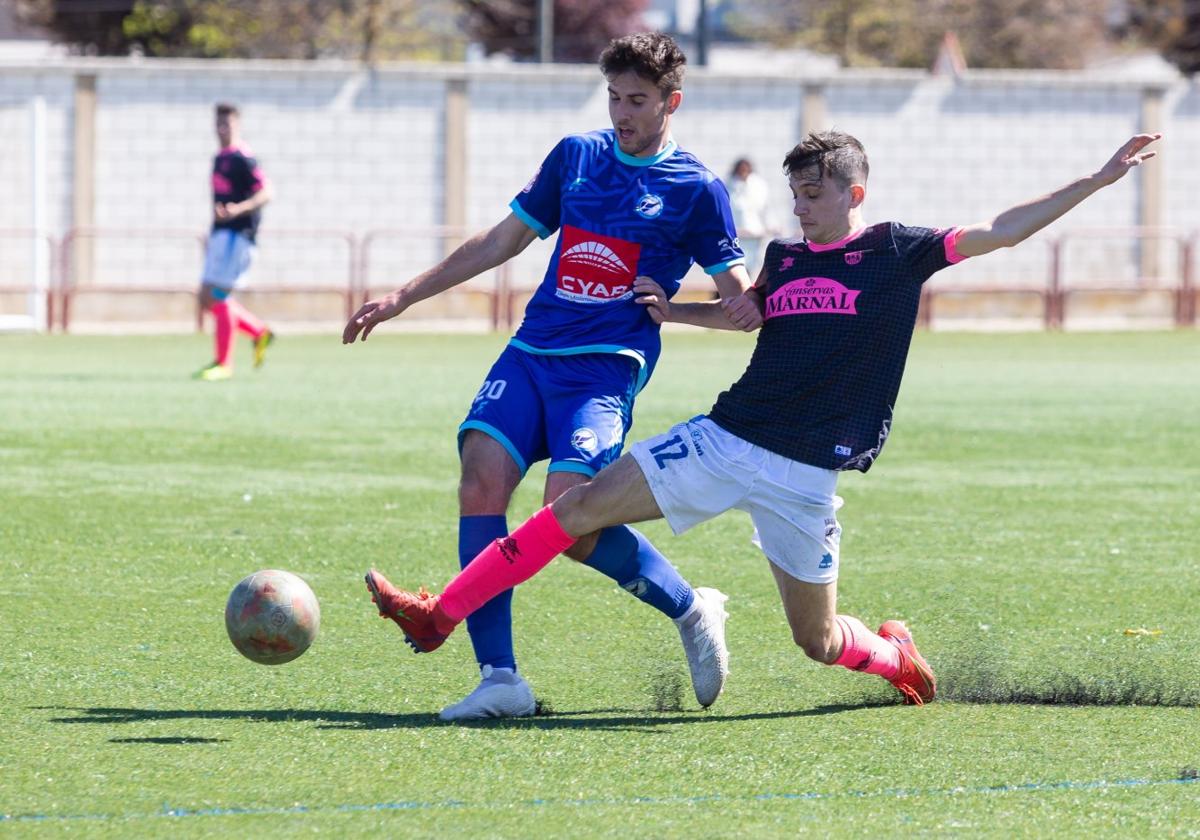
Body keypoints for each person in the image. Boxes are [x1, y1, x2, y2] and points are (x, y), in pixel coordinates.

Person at [362, 130, 1161, 707]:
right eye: (795, 196)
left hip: (807, 473)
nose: (801, 208)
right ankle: (442, 617)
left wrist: (1094, 180)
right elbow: (743, 317)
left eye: (814, 195)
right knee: (570, 510)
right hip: (726, 437)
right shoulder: (783, 258)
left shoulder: (897, 251)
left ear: (854, 193)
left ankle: (895, 659)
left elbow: (1002, 230)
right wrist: (671, 310)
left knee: (816, 642)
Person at [344, 32, 762, 720]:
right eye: (614, 97)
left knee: (571, 513)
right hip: (533, 352)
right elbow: (502, 240)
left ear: (670, 103)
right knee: (480, 475)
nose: (622, 113)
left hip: (605, 370)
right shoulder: (576, 157)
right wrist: (403, 297)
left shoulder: (696, 189)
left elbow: (740, 298)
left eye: (637, 100)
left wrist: (684, 306)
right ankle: (500, 678)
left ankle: (690, 608)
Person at [194, 102, 275, 381]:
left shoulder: (243, 157)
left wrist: (237, 210)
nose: (221, 129)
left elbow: (266, 193)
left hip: (239, 235)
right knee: (207, 297)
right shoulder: (220, 157)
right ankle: (258, 331)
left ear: (237, 125)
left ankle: (224, 363)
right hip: (221, 234)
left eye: (226, 124)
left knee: (220, 296)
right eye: (218, 124)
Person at [727, 158, 773, 276]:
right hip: (736, 235)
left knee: (752, 266)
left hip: (754, 235)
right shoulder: (729, 185)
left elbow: (765, 208)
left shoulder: (758, 185)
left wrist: (769, 226)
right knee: (736, 267)